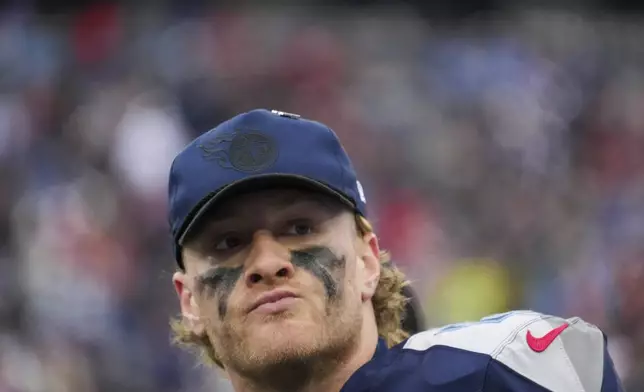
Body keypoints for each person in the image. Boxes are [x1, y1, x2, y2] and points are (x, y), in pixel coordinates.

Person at [167, 109, 624, 392]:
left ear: (368, 260)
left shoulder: (494, 372)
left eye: (300, 228)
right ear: (188, 299)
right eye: (228, 242)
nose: (267, 263)